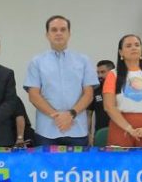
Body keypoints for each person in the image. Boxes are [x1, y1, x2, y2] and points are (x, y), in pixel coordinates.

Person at [25, 15, 98, 147]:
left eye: (63, 29)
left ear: (69, 33)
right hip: (46, 131)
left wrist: (70, 115)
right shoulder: (37, 62)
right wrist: (57, 116)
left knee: (78, 168)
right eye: (54, 30)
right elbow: (33, 95)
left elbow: (88, 94)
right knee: (46, 168)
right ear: (47, 34)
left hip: (77, 130)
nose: (58, 33)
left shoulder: (83, 61)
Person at [102, 34, 142, 147]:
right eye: (128, 46)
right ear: (121, 52)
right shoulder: (113, 75)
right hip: (121, 128)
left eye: (137, 45)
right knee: (121, 164)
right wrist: (129, 129)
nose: (134, 48)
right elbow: (109, 106)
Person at [88, 59, 114, 144]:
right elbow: (89, 115)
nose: (99, 75)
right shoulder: (95, 91)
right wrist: (89, 134)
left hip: (119, 133)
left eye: (103, 72)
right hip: (99, 135)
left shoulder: (122, 90)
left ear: (112, 72)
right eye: (98, 72)